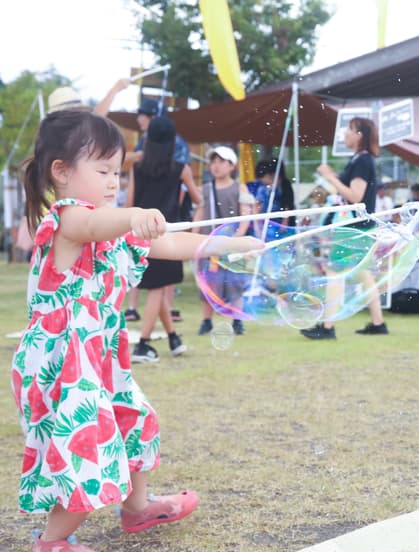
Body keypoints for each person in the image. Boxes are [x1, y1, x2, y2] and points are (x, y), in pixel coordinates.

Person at [13, 110, 261, 552]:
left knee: (135, 421)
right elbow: (93, 224)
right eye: (103, 170)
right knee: (87, 447)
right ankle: (51, 542)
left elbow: (169, 243)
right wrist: (136, 214)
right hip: (62, 365)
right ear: (62, 172)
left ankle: (137, 508)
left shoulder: (113, 226)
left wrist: (230, 244)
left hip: (98, 357)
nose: (112, 180)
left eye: (116, 170)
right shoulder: (67, 220)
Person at [300, 117, 388, 339]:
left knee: (334, 272)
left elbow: (355, 197)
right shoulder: (359, 160)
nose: (345, 134)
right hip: (359, 227)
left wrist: (330, 176)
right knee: (363, 274)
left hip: (354, 227)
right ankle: (378, 324)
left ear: (360, 135)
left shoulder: (363, 161)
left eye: (349, 130)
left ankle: (327, 327)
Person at [127, 116, 199, 362]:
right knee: (158, 290)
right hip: (167, 235)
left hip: (139, 234)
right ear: (172, 141)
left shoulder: (137, 168)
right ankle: (143, 345)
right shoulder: (181, 169)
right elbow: (198, 199)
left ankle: (173, 338)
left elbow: (129, 204)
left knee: (157, 289)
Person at [192, 146, 255, 336]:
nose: (216, 166)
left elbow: (245, 214)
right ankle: (206, 320)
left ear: (232, 166)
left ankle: (237, 320)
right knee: (208, 282)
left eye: (221, 162)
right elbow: (200, 214)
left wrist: (238, 237)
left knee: (235, 282)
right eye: (213, 162)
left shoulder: (239, 188)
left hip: (231, 245)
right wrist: (194, 237)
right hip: (209, 244)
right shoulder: (205, 189)